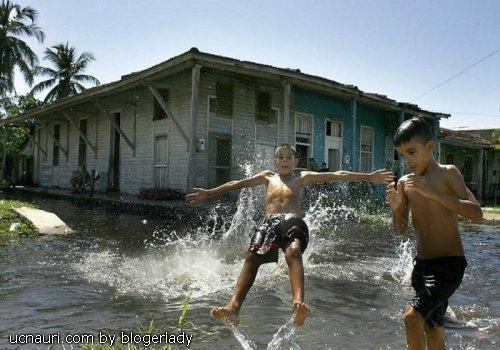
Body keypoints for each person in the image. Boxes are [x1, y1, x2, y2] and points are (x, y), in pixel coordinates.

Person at [186, 144, 393, 327]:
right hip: (268, 223)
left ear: (296, 161)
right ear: (276, 161)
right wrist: (209, 193)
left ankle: (298, 304)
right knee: (252, 258)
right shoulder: (267, 176)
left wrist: (369, 177)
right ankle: (233, 308)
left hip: (292, 221)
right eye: (281, 157)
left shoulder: (301, 177)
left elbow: (338, 175)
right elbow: (237, 183)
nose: (285, 160)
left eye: (289, 157)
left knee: (293, 252)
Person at [386, 117, 483, 349]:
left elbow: (476, 213)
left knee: (411, 318)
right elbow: (400, 229)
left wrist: (434, 194)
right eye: (402, 155)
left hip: (450, 265)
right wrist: (397, 207)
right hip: (422, 267)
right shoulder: (406, 183)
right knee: (433, 328)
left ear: (430, 147)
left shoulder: (448, 174)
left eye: (411, 152)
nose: (407, 160)